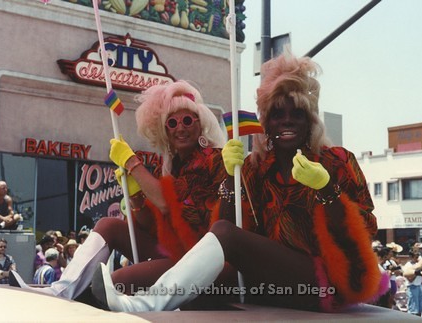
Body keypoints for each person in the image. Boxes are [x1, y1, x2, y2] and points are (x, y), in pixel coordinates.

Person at [91, 52, 384, 312]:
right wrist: (233, 179)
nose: (287, 121)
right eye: (277, 114)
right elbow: (231, 229)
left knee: (129, 279)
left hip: (323, 285)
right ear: (266, 123)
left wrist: (327, 190)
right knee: (196, 291)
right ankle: (66, 290)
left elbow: (365, 231)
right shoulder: (255, 169)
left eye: (297, 113)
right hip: (259, 281)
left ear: (310, 120)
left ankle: (146, 303)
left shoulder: (336, 161)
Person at [10, 80, 227, 300]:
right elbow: (149, 225)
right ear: (164, 131)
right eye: (172, 123)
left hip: (197, 262)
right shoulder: (169, 168)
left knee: (114, 284)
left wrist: (132, 163)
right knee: (109, 225)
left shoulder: (212, 159)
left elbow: (167, 203)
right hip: (171, 252)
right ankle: (61, 290)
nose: (180, 128)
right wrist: (135, 196)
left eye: (188, 120)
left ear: (201, 124)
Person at [403, 248, 422, 316]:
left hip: (419, 286)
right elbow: (410, 279)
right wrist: (416, 273)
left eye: (418, 256)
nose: (417, 258)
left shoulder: (417, 264)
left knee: (420, 308)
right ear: (411, 257)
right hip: (412, 287)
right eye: (416, 257)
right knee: (413, 308)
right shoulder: (408, 265)